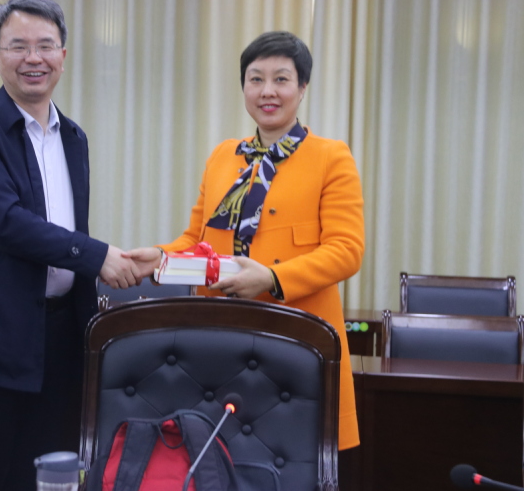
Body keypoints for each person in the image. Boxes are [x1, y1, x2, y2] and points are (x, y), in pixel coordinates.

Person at [129, 31, 365, 450]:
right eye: (256, 79)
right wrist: (159, 257)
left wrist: (272, 279)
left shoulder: (331, 157)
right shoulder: (223, 156)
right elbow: (196, 239)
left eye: (281, 79)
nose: (267, 91)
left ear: (302, 87)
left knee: (294, 457)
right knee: (219, 457)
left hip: (296, 337)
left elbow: (346, 251)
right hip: (220, 336)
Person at [0, 0, 139, 491]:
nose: (34, 58)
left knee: (54, 476)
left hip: (62, 339)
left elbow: (68, 225)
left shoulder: (74, 137)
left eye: (46, 45)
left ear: (63, 56)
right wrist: (98, 256)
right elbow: (7, 223)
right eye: (19, 46)